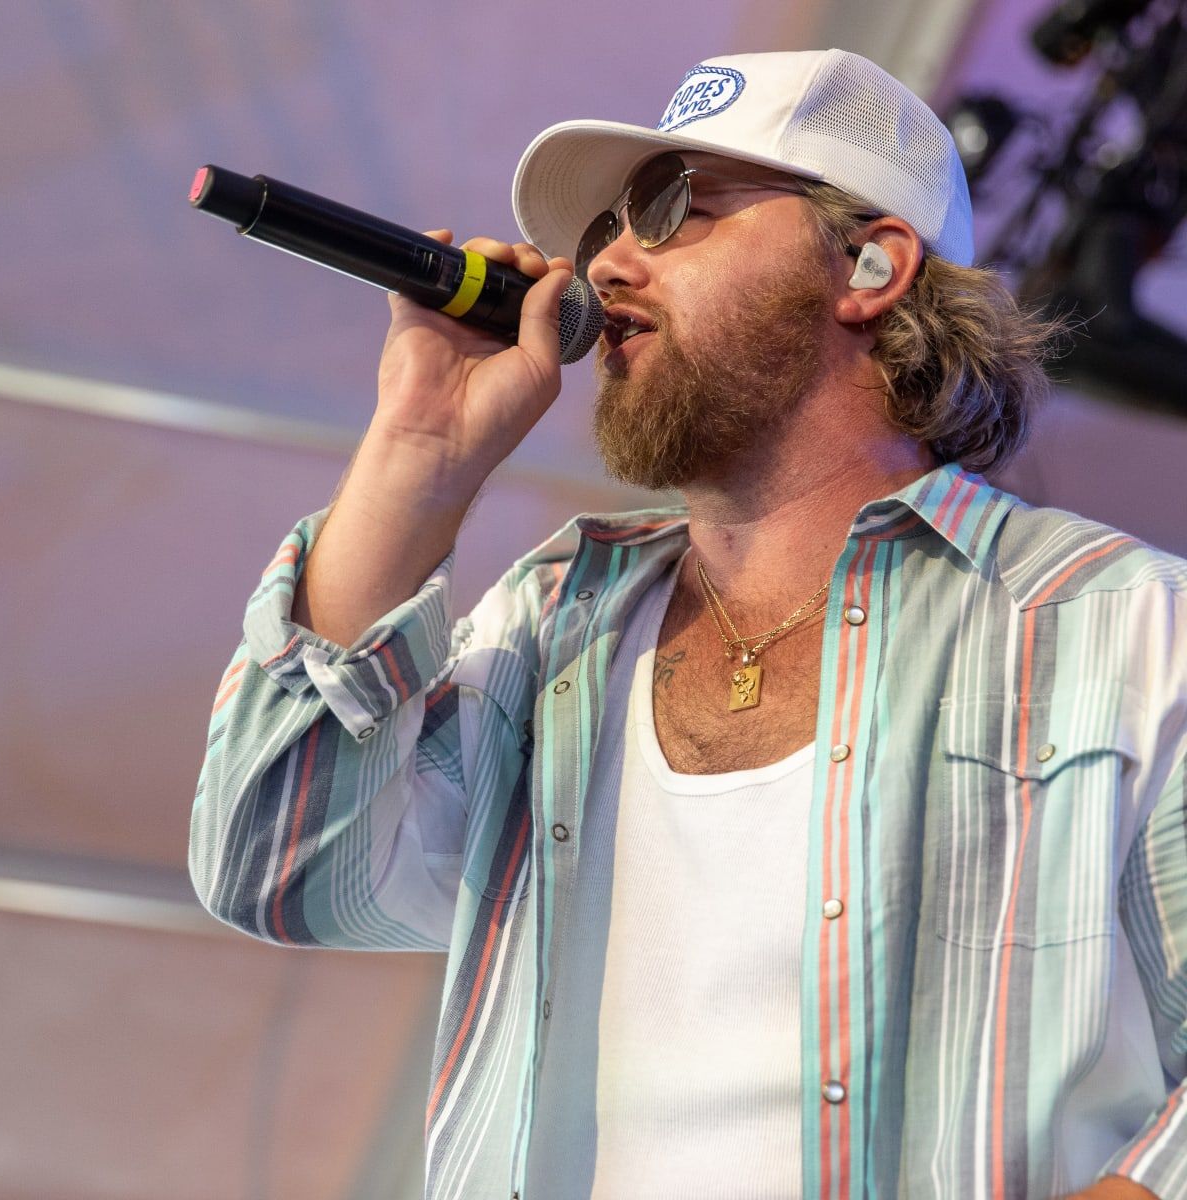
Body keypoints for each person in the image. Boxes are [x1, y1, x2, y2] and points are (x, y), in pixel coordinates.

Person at [189, 50, 1187, 1200]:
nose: (606, 260)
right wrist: (419, 449)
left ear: (870, 265)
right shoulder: (552, 625)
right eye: (609, 223)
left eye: (675, 210)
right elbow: (279, 865)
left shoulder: (1122, 631)